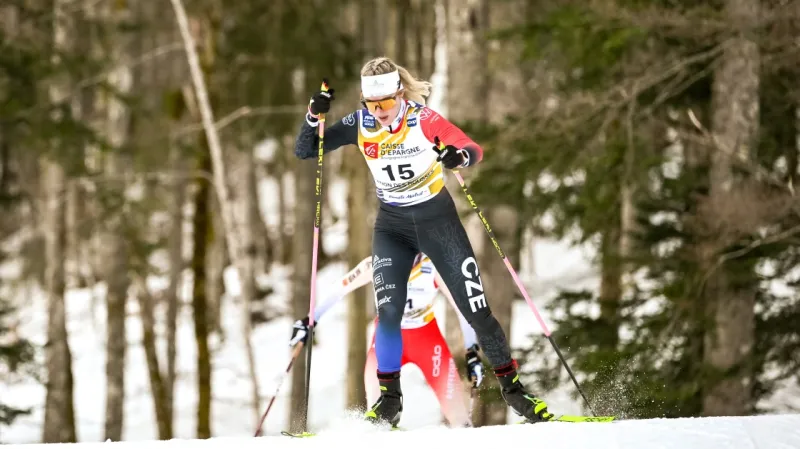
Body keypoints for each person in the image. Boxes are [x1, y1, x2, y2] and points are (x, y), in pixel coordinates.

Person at [293, 56, 555, 427]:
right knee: (388, 313)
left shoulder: (422, 119)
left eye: (385, 103)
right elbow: (306, 149)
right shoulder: (361, 123)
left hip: (438, 222)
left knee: (476, 310)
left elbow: (471, 148)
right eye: (372, 104)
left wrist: (458, 155)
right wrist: (313, 115)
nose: (379, 112)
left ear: (400, 95)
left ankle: (514, 392)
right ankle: (389, 400)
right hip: (393, 227)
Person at [288, 253, 484, 428]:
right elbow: (340, 288)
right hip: (386, 340)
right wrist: (309, 320)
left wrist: (472, 352)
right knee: (378, 417)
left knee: (460, 420)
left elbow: (461, 307)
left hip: (426, 341)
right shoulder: (377, 264)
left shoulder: (434, 266)